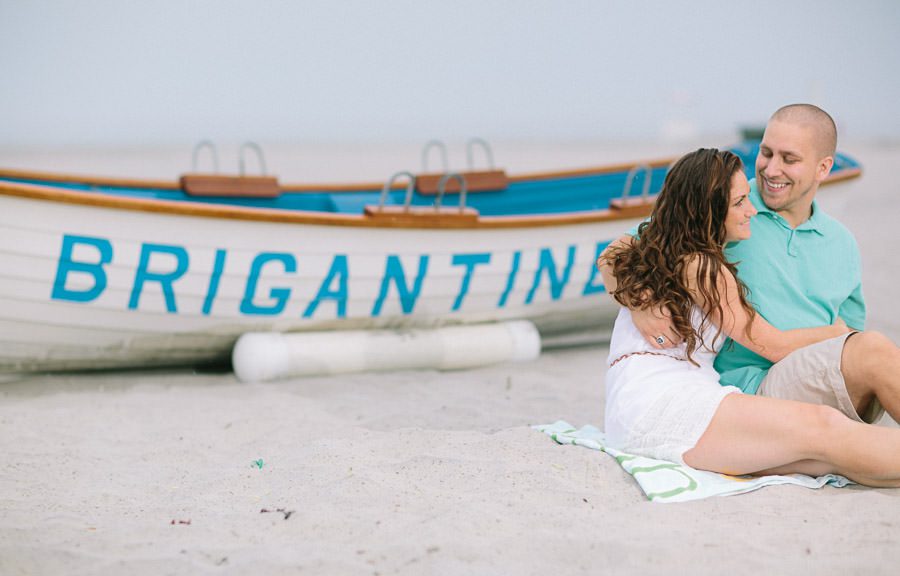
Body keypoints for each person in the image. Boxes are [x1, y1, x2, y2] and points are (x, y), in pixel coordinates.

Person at [597, 147, 900, 486]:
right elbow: (771, 345)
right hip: (662, 403)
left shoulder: (660, 249)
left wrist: (636, 299)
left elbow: (613, 253)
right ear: (708, 210)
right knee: (824, 426)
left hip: (643, 403)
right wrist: (835, 332)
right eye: (740, 202)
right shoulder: (702, 267)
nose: (751, 209)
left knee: (818, 457)